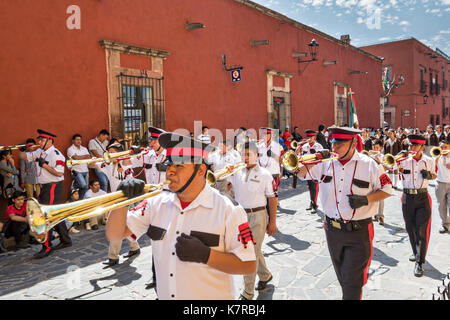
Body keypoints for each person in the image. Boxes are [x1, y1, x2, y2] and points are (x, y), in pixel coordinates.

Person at [105, 132, 257, 300]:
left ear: (200, 170)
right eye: (169, 165)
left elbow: (248, 264)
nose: (170, 172)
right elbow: (115, 235)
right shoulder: (155, 203)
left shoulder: (228, 209)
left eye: (179, 166)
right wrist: (122, 203)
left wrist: (206, 255)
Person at [295, 127, 392, 300]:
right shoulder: (325, 163)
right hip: (332, 231)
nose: (334, 148)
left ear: (353, 143)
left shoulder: (369, 164)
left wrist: (366, 200)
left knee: (351, 284)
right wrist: (297, 163)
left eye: (340, 144)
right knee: (343, 278)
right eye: (333, 143)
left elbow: (387, 189)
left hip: (358, 232)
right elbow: (303, 173)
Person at [227, 141, 276, 300]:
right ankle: (265, 276)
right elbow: (230, 189)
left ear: (257, 155)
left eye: (248, 155)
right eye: (243, 154)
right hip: (241, 216)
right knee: (254, 250)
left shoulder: (264, 174)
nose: (245, 158)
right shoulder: (237, 172)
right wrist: (229, 174)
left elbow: (272, 199)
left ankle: (248, 292)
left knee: (249, 253)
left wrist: (272, 222)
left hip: (258, 216)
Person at [19, 129, 72, 259]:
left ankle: (47, 247)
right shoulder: (39, 152)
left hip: (54, 186)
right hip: (44, 187)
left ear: (50, 141)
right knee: (55, 214)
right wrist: (22, 150)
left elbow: (59, 173)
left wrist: (45, 166)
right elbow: (24, 157)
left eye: (42, 140)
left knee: (45, 215)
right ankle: (65, 240)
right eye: (39, 140)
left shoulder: (56, 154)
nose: (39, 142)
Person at [96, 142, 141, 267]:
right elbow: (94, 165)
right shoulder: (109, 165)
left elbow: (128, 163)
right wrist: (95, 160)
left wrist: (123, 157)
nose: (110, 155)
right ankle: (134, 247)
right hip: (116, 199)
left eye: (113, 152)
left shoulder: (126, 164)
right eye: (108, 152)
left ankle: (113, 257)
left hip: (126, 199)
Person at [397, 134, 436, 277]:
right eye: (409, 145)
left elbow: (434, 175)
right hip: (407, 197)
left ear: (422, 147)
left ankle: (419, 262)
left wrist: (429, 176)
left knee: (421, 230)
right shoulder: (404, 160)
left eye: (414, 145)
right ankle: (416, 252)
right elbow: (392, 170)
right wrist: (396, 164)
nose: (411, 148)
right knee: (410, 228)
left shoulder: (429, 160)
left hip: (422, 197)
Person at [300, 130, 323, 214]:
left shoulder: (318, 146)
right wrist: (298, 150)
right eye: (308, 137)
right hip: (308, 169)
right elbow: (301, 156)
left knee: (315, 187)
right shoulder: (305, 146)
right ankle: (311, 202)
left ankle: (315, 205)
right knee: (310, 187)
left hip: (316, 169)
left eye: (311, 137)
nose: (309, 139)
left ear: (314, 137)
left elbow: (321, 157)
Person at [257, 128, 283, 202]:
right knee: (264, 192)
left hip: (274, 172)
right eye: (263, 135)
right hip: (263, 173)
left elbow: (282, 161)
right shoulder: (259, 146)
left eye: (267, 135)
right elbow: (257, 159)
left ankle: (274, 205)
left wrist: (274, 155)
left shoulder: (278, 146)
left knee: (273, 192)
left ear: (271, 136)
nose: (264, 137)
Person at [67, 134, 90, 199]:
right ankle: (74, 187)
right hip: (77, 171)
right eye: (77, 140)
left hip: (86, 170)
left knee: (85, 188)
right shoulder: (70, 149)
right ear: (73, 141)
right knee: (83, 185)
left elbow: (88, 157)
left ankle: (81, 200)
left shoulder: (84, 148)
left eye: (80, 140)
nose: (79, 141)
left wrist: (80, 157)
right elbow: (76, 158)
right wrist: (84, 156)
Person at [435, 140, 450, 234]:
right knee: (441, 207)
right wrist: (436, 157)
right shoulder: (436, 156)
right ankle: (445, 225)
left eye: (446, 147)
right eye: (442, 147)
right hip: (440, 183)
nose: (443, 149)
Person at [371, 139, 386, 225]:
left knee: (380, 198)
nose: (375, 149)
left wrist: (379, 161)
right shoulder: (369, 155)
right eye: (374, 147)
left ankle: (381, 216)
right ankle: (374, 214)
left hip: (380, 178)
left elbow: (385, 168)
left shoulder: (383, 156)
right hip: (372, 178)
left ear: (380, 148)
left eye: (377, 147)